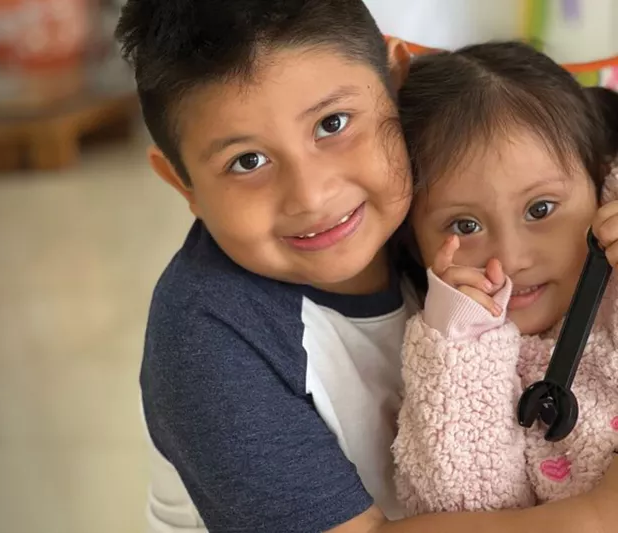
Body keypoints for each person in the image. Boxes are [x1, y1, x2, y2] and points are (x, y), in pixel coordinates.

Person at [115, 1, 618, 531]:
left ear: (396, 77)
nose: (312, 197)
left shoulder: (439, 162)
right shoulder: (209, 339)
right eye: (247, 161)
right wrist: (601, 514)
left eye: (332, 124)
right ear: (181, 183)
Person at [393, 40, 618, 514]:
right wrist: (459, 344)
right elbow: (461, 503)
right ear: (412, 237)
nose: (510, 258)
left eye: (540, 209)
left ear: (600, 186)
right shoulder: (448, 353)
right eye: (465, 226)